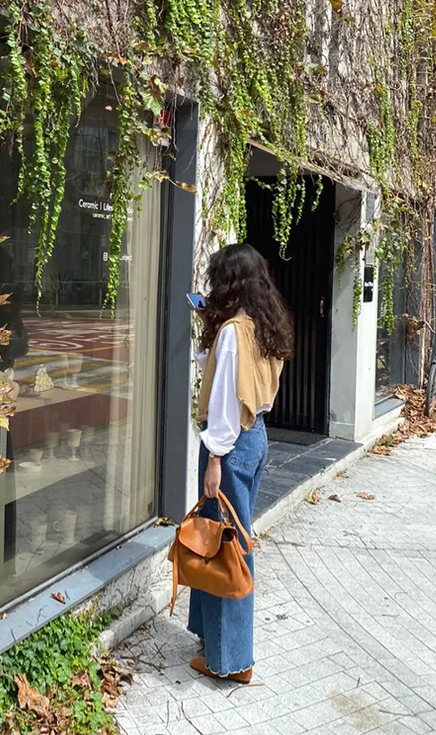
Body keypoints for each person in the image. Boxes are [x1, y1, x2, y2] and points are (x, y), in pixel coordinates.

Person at [188, 242, 293, 683]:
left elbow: (227, 402)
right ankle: (213, 639)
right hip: (255, 439)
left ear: (229, 283)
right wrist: (207, 328)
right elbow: (222, 372)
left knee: (225, 547)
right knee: (225, 538)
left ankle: (231, 660)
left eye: (218, 279)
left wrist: (215, 457)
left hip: (230, 445)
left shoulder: (234, 331)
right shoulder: (263, 325)